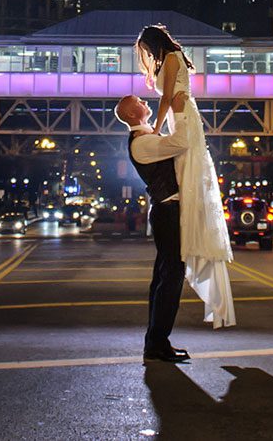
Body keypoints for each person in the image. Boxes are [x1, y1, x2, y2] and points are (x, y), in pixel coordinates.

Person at [135, 23, 235, 329]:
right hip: (180, 118)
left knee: (188, 170)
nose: (148, 56)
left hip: (182, 119)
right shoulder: (171, 58)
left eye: (147, 50)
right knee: (185, 174)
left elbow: (167, 98)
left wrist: (156, 127)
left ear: (155, 44)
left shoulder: (173, 56)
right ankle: (184, 225)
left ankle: (188, 227)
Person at [119, 94, 192, 362]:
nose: (145, 102)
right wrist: (181, 113)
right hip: (166, 211)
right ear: (130, 115)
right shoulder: (141, 143)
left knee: (165, 277)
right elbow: (181, 143)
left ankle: (156, 341)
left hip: (168, 211)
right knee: (171, 276)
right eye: (138, 101)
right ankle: (157, 343)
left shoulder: (148, 137)